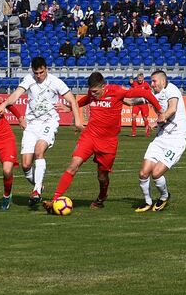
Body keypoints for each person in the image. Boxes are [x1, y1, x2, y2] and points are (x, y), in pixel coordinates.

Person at [52, 72, 160, 211]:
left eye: (96, 91)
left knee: (102, 176)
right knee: (73, 165)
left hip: (108, 142)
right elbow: (86, 99)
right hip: (89, 136)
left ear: (104, 86)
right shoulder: (92, 94)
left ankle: (102, 197)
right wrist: (71, 107)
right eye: (91, 91)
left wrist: (160, 109)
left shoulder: (117, 91)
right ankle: (55, 199)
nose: (94, 94)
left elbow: (146, 94)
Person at [0, 57, 83, 209]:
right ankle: (39, 185)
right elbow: (16, 94)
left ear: (46, 69)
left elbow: (71, 99)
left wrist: (77, 120)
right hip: (31, 125)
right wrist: (4, 104)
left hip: (49, 123)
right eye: (36, 73)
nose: (39, 76)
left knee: (39, 151)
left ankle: (36, 190)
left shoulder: (55, 82)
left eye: (41, 72)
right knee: (25, 165)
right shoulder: (29, 79)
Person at [135, 69, 186, 212]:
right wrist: (119, 97)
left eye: (154, 81)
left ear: (162, 80)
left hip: (176, 139)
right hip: (161, 138)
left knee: (156, 173)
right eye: (151, 81)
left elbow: (172, 108)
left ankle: (164, 196)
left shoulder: (172, 89)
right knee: (143, 173)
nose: (152, 84)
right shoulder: (153, 94)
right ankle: (147, 202)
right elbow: (134, 100)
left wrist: (160, 119)